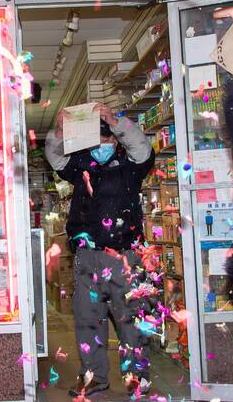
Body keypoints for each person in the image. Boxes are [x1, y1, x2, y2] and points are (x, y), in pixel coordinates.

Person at [45, 102, 155, 396]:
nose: (103, 143)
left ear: (116, 139)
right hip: (88, 256)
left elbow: (143, 148)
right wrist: (59, 132)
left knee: (131, 320)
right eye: (99, 137)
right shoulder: (81, 164)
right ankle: (93, 377)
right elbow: (54, 158)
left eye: (109, 137)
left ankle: (136, 377)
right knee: (87, 321)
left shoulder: (133, 164)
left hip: (126, 256)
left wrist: (117, 120)